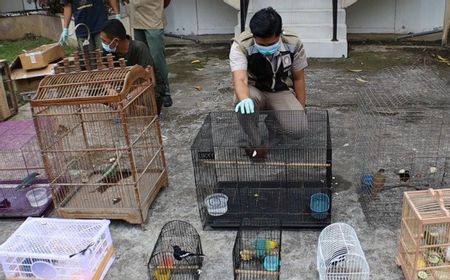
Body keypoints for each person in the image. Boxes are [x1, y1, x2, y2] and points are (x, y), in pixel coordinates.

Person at [229, 7, 308, 160]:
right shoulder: (241, 45)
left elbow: (298, 78)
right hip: (254, 89)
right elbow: (240, 79)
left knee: (298, 129)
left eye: (270, 44)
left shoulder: (293, 43)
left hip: (280, 90)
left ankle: (273, 124)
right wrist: (244, 99)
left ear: (279, 34)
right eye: (261, 45)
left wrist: (301, 109)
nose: (266, 49)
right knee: (243, 103)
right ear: (253, 35)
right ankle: (257, 143)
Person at [100, 19, 163, 114]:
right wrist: (110, 90)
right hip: (123, 88)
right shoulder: (107, 51)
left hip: (140, 87)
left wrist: (127, 98)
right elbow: (103, 76)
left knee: (150, 96)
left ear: (116, 41)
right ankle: (127, 108)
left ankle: (138, 109)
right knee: (99, 92)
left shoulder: (139, 48)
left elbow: (150, 81)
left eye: (104, 41)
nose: (103, 44)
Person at [123, 0, 173, 108]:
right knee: (142, 58)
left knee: (157, 56)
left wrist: (158, 8)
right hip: (137, 18)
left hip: (153, 17)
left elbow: (166, 1)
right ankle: (146, 90)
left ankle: (165, 91)